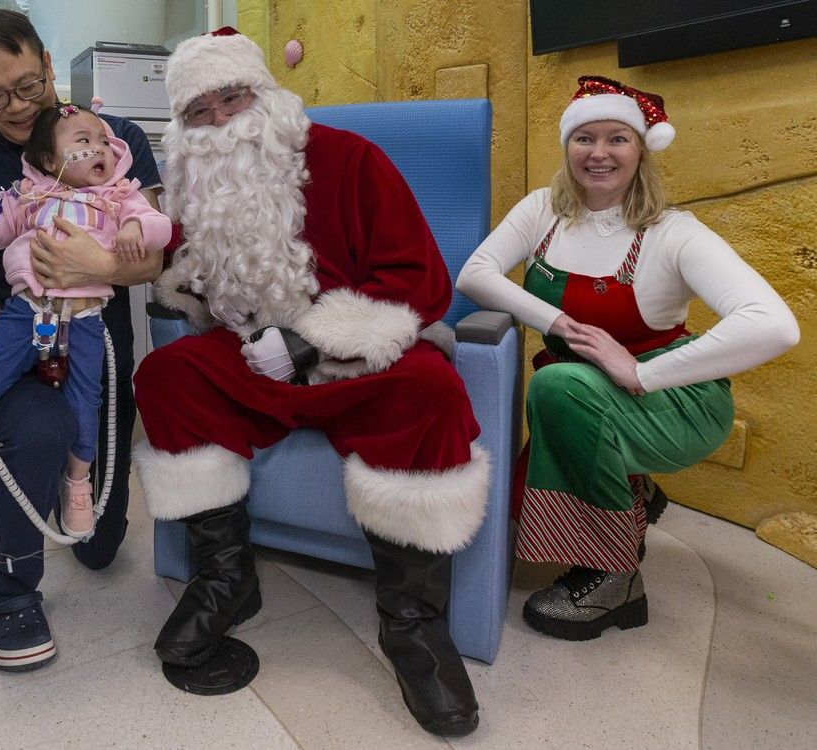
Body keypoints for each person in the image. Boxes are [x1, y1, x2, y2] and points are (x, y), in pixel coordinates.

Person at [131, 28, 488, 738]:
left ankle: (412, 623)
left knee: (431, 391)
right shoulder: (191, 189)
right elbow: (179, 279)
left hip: (355, 356)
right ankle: (228, 579)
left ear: (265, 97)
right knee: (166, 374)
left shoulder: (350, 158)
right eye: (198, 113)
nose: (220, 123)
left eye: (231, 99)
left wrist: (306, 340)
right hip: (246, 360)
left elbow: (419, 280)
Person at [456, 76, 799, 641]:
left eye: (617, 138)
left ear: (641, 149)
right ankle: (630, 495)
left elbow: (774, 326)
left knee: (557, 388)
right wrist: (557, 322)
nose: (598, 153)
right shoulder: (543, 208)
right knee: (557, 409)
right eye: (583, 138)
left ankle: (614, 580)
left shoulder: (672, 232)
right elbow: (477, 273)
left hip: (674, 401)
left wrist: (641, 371)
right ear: (567, 147)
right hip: (585, 397)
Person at [0, 9, 163, 672]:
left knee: (98, 548)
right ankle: (11, 596)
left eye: (27, 87)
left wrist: (105, 268)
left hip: (97, 348)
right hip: (14, 340)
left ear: (50, 66)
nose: (16, 107)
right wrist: (25, 336)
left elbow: (155, 256)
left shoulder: (113, 140)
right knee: (33, 434)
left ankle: (67, 482)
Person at [0, 103, 171, 537]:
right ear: (48, 161)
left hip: (85, 320)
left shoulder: (119, 199)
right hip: (27, 312)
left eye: (103, 142)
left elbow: (159, 227)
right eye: (83, 142)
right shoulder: (28, 197)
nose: (100, 149)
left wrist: (137, 230)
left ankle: (77, 482)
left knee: (86, 400)